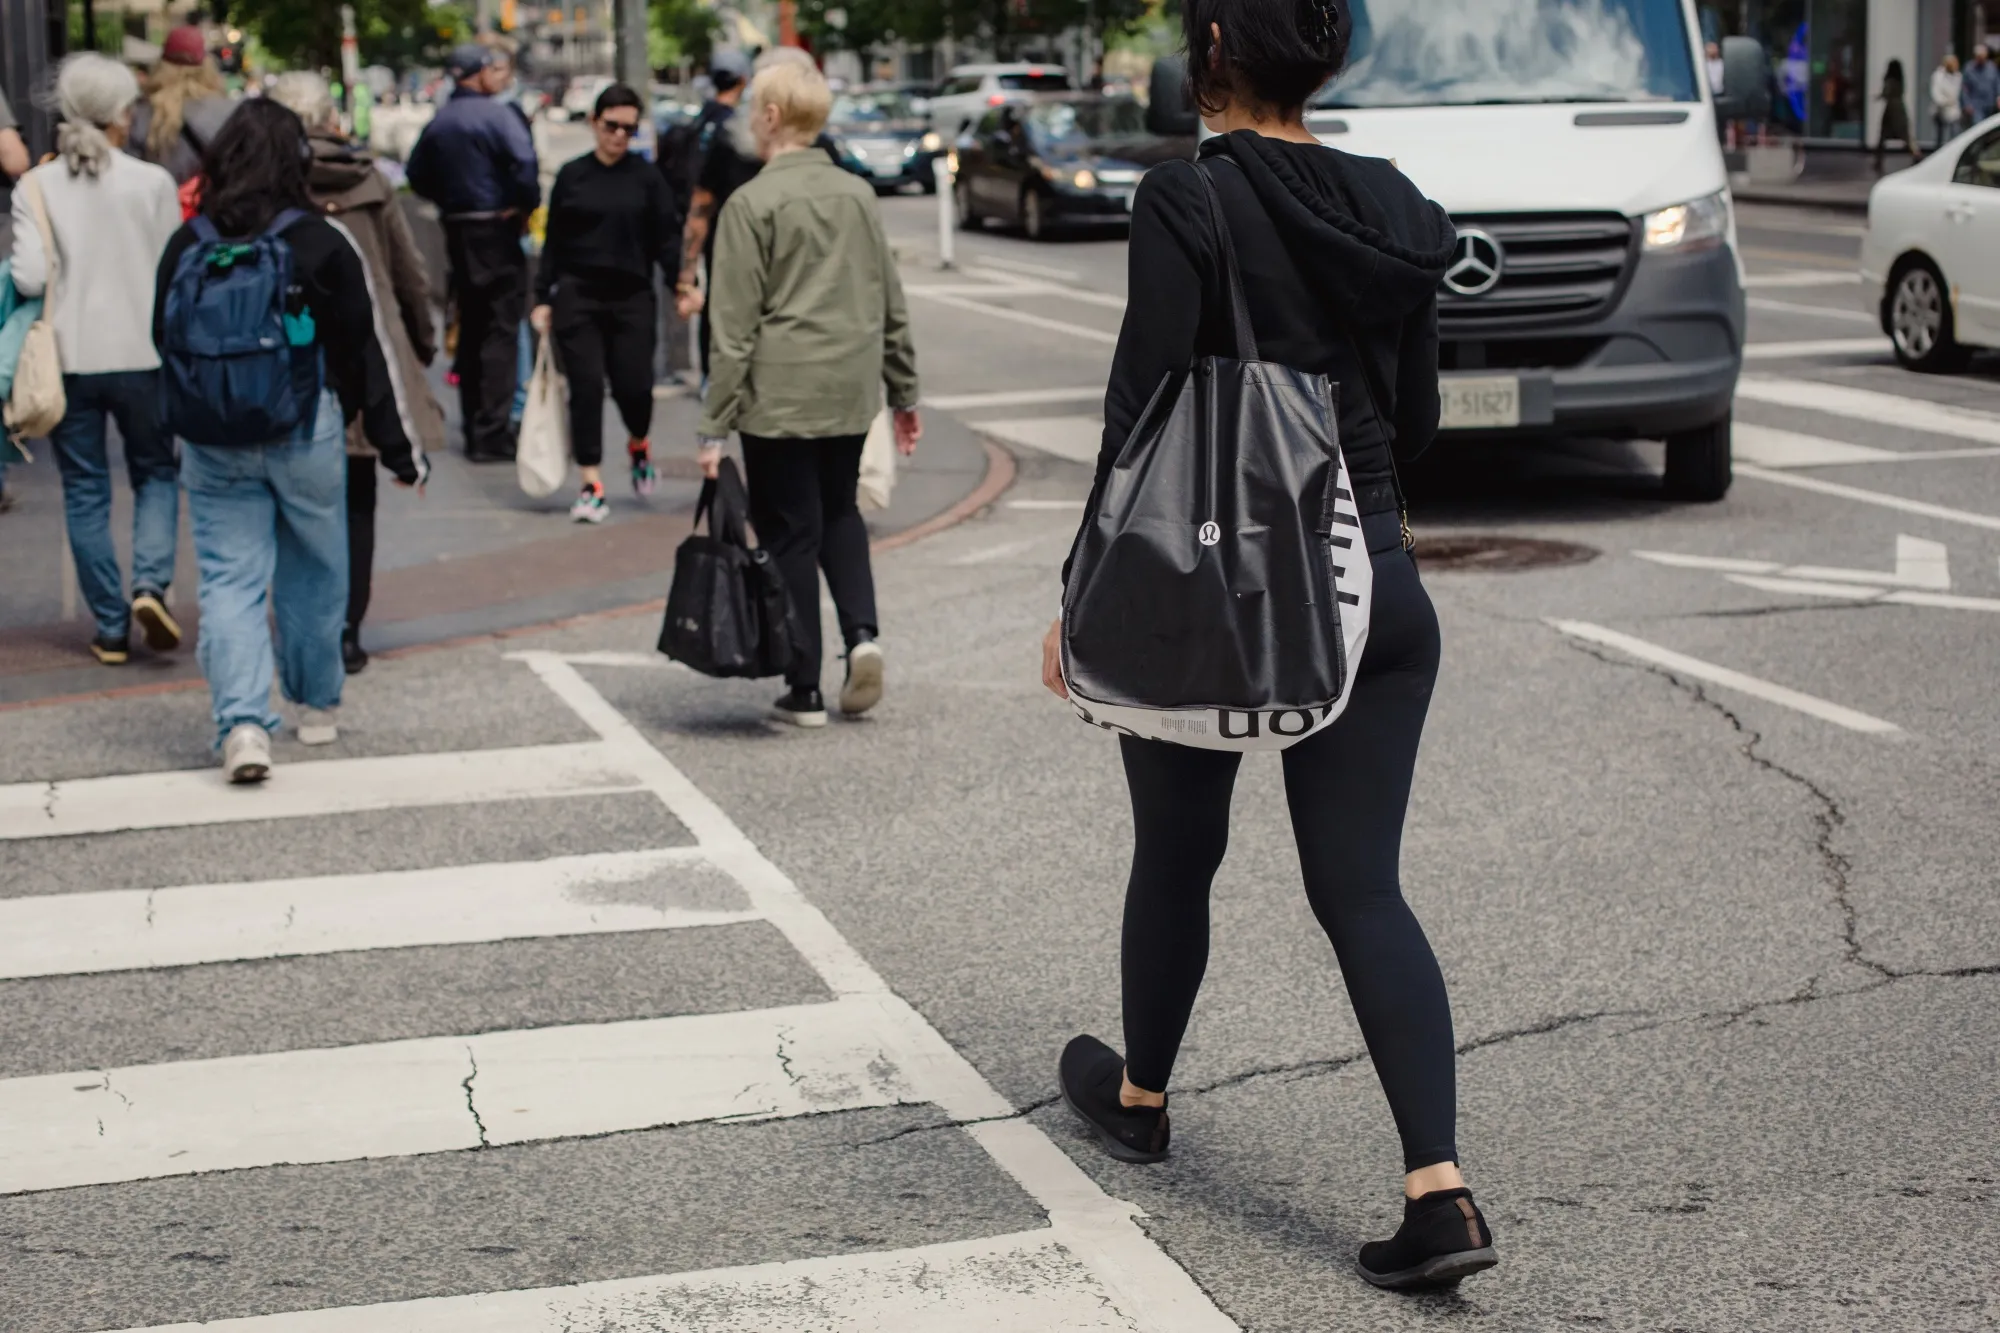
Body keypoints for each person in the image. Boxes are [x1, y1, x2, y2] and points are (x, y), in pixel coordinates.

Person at [1039, 0, 1493, 1292]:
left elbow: (1145, 407)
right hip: (1382, 584)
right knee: (1363, 888)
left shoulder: (1187, 200)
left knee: (1178, 854)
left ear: (1211, 55)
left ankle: (1139, 1096)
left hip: (1222, 595)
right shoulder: (1400, 206)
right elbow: (1413, 424)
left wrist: (1083, 599)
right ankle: (1439, 1190)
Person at [155, 98, 427, 783]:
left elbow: (164, 338)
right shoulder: (319, 241)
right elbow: (365, 351)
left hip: (213, 437)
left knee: (228, 578)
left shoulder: (190, 243)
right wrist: (399, 448)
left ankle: (243, 721)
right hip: (306, 426)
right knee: (315, 567)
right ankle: (315, 703)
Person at [694, 57, 920, 727]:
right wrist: (904, 392)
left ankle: (803, 686)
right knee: (840, 513)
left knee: (791, 529)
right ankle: (863, 637)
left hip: (780, 393)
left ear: (769, 117)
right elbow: (890, 301)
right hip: (850, 386)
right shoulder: (856, 194)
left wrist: (713, 426)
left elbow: (732, 330)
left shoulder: (752, 203)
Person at [10, 53, 184, 665]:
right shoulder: (152, 183)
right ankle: (149, 586)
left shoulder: (36, 185)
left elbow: (30, 276)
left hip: (69, 359)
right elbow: (173, 269)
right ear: (121, 116)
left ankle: (110, 626)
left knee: (85, 490)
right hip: (145, 354)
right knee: (157, 474)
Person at [271, 71, 446, 675]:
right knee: (358, 498)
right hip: (366, 360)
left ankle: (305, 624)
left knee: (294, 503)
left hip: (291, 362)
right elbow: (409, 274)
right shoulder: (368, 180)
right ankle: (347, 629)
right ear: (330, 118)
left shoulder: (271, 186)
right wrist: (419, 345)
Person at [530, 83, 676, 523]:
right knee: (586, 388)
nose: (618, 136)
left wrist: (682, 285)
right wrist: (542, 297)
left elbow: (666, 239)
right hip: (578, 296)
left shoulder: (648, 178)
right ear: (594, 123)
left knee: (634, 388)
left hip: (631, 296)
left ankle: (638, 442)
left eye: (628, 129)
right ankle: (591, 483)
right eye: (611, 126)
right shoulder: (573, 175)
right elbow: (552, 242)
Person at [407, 45, 539, 462]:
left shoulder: (441, 121)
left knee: (473, 327)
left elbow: (416, 175)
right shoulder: (497, 116)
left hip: (458, 229)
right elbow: (525, 165)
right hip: (495, 230)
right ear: (479, 73)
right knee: (500, 329)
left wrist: (451, 202)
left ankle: (474, 422)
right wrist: (521, 205)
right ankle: (492, 429)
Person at [673, 49, 757, 379]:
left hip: (710, 234)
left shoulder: (698, 123)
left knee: (714, 305)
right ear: (743, 81)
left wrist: (687, 269)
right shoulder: (736, 132)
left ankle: (712, 377)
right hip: (737, 234)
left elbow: (697, 200)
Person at [130, 26, 236, 185]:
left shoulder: (140, 112)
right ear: (207, 65)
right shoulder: (229, 112)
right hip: (211, 205)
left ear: (161, 64)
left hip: (159, 204)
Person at [1876, 58, 1919, 170]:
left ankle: (1878, 160)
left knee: (1883, 136)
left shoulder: (1889, 80)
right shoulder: (1901, 80)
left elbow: (1886, 93)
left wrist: (1879, 96)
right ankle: (1916, 154)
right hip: (1900, 108)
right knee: (1906, 136)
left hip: (1890, 109)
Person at [1961, 44, 2000, 126]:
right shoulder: (1969, 68)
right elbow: (1965, 88)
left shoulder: (1992, 67)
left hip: (1990, 104)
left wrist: (1998, 97)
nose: (1981, 58)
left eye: (1983, 56)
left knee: (1989, 128)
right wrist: (1967, 104)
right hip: (1975, 105)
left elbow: (1997, 83)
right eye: (1979, 56)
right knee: (1978, 126)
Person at [1932, 53, 1965, 148]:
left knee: (1955, 134)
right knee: (1940, 136)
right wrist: (1945, 101)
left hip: (1953, 109)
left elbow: (1958, 93)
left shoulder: (1958, 76)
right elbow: (1936, 93)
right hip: (1940, 109)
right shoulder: (1938, 76)